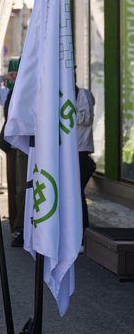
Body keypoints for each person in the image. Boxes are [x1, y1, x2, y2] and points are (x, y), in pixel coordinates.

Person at [0, 65, 27, 247]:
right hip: (13, 146)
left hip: (30, 144)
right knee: (16, 187)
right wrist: (5, 76)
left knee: (24, 187)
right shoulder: (10, 94)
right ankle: (17, 226)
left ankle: (23, 226)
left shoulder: (34, 91)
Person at [76, 85, 96, 232]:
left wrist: (62, 114)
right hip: (71, 152)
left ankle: (82, 233)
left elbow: (87, 118)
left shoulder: (82, 93)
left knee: (76, 193)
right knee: (73, 194)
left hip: (81, 151)